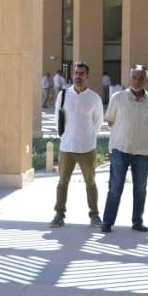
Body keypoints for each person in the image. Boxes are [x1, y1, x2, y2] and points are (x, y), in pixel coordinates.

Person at [100, 65, 148, 232]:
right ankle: (107, 222)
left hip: (142, 151)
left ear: (146, 79)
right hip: (120, 149)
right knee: (115, 187)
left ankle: (137, 221)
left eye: (141, 78)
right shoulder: (117, 98)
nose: (137, 81)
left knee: (140, 188)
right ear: (130, 78)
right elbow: (110, 121)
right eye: (134, 77)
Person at [51, 62, 103, 228]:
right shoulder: (63, 95)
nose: (78, 76)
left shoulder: (94, 98)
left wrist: (88, 137)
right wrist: (65, 136)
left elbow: (98, 122)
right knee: (62, 183)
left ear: (87, 76)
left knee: (91, 183)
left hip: (87, 148)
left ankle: (94, 215)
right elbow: (57, 118)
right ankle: (59, 214)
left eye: (81, 73)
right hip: (67, 147)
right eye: (76, 73)